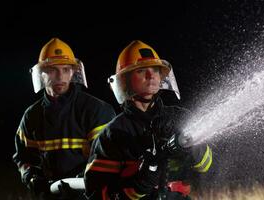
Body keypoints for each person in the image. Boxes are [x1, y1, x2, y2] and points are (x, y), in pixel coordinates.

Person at [84, 40, 213, 200]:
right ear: (125, 80)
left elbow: (210, 169)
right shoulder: (112, 134)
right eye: (141, 70)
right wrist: (137, 185)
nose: (151, 75)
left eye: (156, 70)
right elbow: (96, 194)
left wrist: (192, 147)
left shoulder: (179, 118)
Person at [13, 38, 116, 199]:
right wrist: (31, 177)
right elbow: (23, 157)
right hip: (50, 194)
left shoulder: (96, 110)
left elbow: (108, 158)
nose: (60, 76)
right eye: (53, 70)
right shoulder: (31, 116)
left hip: (89, 193)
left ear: (74, 72)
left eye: (66, 69)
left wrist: (81, 183)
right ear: (41, 73)